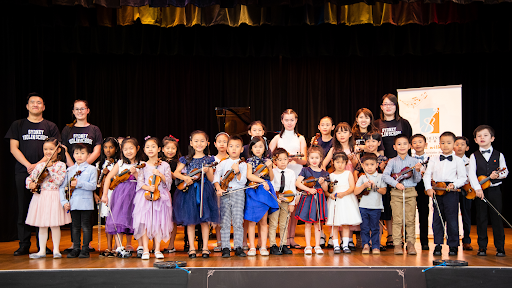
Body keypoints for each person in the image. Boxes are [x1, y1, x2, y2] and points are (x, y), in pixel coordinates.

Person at [5, 92, 61, 256]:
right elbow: (13, 148)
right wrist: (29, 165)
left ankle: (42, 245)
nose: (35, 105)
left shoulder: (50, 126)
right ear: (27, 106)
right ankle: (24, 244)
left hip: (46, 174)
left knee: (42, 209)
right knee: (23, 208)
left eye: (39, 103)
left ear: (43, 107)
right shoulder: (18, 124)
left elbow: (54, 150)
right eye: (32, 102)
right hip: (23, 172)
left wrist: (38, 166)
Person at [375, 94, 413, 248]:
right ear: (381, 107)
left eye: (391, 104)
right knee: (384, 203)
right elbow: (374, 143)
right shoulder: (376, 123)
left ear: (396, 106)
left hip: (401, 169)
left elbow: (408, 145)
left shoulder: (403, 123)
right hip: (382, 167)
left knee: (398, 204)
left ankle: (397, 236)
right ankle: (384, 236)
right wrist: (381, 163)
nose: (388, 107)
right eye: (385, 104)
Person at [174, 130, 219, 259]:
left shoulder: (210, 159)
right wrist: (186, 178)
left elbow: (211, 179)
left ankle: (205, 247)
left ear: (207, 143)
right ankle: (192, 248)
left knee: (205, 221)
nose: (199, 143)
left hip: (205, 191)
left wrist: (208, 170)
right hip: (189, 192)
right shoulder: (186, 159)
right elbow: (176, 172)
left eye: (202, 141)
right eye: (196, 141)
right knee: (191, 221)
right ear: (191, 143)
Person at [25, 138, 70, 259]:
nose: (48, 152)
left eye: (51, 149)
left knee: (55, 225)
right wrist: (30, 184)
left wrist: (50, 168)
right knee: (42, 225)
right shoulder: (39, 165)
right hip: (41, 196)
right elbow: (30, 178)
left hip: (54, 195)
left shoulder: (61, 165)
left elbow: (59, 181)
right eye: (45, 149)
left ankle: (56, 250)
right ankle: (42, 251)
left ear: (58, 150)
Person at [424, 132, 467, 256]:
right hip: (437, 189)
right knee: (437, 218)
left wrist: (454, 184)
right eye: (442, 143)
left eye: (448, 143)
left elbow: (463, 178)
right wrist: (429, 189)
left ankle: (453, 245)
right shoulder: (433, 159)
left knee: (452, 219)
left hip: (451, 191)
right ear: (439, 144)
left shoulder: (458, 161)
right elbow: (427, 175)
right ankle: (437, 244)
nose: (445, 145)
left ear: (454, 144)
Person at [269, 109, 307, 250]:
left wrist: (294, 158)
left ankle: (290, 238)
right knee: (282, 211)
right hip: (280, 176)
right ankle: (280, 241)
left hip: (295, 175)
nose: (289, 122)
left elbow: (305, 161)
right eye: (286, 120)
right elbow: (269, 156)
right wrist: (279, 162)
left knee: (293, 208)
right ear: (282, 121)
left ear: (296, 121)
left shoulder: (301, 138)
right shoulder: (278, 138)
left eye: (292, 120)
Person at [468, 125, 508, 257]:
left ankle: (500, 248)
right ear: (475, 140)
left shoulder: (499, 154)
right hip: (480, 192)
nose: (482, 138)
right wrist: (477, 189)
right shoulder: (474, 156)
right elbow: (472, 175)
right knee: (481, 219)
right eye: (479, 136)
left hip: (495, 190)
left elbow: (505, 171)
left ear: (492, 138)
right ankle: (482, 247)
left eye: (485, 135)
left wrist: (499, 175)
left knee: (497, 218)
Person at [101, 137, 143, 257]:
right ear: (121, 150)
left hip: (136, 194)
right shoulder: (120, 163)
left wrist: (135, 173)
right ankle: (119, 247)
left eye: (131, 148)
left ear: (137, 148)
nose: (128, 151)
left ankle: (140, 246)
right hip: (120, 195)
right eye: (125, 149)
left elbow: (142, 180)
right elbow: (109, 178)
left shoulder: (140, 164)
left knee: (137, 219)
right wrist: (104, 195)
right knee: (119, 219)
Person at [133, 137, 173, 260]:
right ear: (144, 150)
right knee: (145, 223)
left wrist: (160, 175)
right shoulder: (142, 165)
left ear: (159, 149)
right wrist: (148, 188)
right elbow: (139, 183)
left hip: (160, 196)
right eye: (148, 147)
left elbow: (169, 183)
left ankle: (157, 249)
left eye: (153, 146)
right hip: (145, 196)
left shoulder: (165, 165)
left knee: (158, 223)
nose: (150, 149)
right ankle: (145, 249)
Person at [382, 135, 422, 255]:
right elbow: (385, 176)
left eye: (405, 144)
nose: (402, 146)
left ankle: (410, 243)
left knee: (410, 219)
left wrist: (418, 171)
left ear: (409, 146)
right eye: (399, 144)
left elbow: (416, 180)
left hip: (410, 192)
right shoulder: (392, 161)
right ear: (394, 147)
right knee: (397, 220)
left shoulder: (414, 162)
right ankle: (397, 244)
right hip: (396, 193)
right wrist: (395, 184)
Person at [60, 143, 98, 258]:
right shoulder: (69, 170)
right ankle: (76, 248)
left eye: (82, 153)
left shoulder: (92, 169)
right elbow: (62, 187)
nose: (79, 156)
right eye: (76, 153)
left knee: (86, 226)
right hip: (73, 203)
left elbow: (93, 186)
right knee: (75, 226)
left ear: (88, 155)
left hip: (86, 203)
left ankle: (85, 249)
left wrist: (79, 184)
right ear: (73, 155)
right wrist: (64, 202)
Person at [214, 135, 248, 258]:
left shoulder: (243, 164)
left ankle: (238, 247)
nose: (234, 149)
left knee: (238, 221)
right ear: (227, 149)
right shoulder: (223, 163)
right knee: (225, 222)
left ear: (242, 149)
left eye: (237, 146)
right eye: (231, 146)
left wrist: (237, 171)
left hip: (238, 193)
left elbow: (242, 181)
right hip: (225, 193)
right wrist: (218, 188)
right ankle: (226, 247)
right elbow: (216, 179)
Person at [245, 136, 279, 256]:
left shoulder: (267, 161)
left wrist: (270, 167)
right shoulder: (249, 161)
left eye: (260, 146)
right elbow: (249, 175)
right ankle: (252, 247)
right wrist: (262, 181)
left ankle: (263, 247)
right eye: (255, 147)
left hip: (264, 191)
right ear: (251, 148)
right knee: (252, 221)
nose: (258, 149)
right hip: (254, 191)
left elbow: (271, 177)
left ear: (265, 148)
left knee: (264, 221)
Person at [295, 146, 329, 255]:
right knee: (308, 224)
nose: (314, 160)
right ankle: (308, 246)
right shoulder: (305, 170)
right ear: (308, 159)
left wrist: (323, 182)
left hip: (319, 199)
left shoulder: (324, 173)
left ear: (321, 159)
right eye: (312, 158)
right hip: (308, 199)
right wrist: (309, 189)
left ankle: (317, 245)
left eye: (317, 158)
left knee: (318, 224)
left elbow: (326, 189)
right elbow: (298, 183)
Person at [325, 152, 361, 254]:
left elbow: (352, 187)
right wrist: (330, 194)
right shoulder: (330, 175)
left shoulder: (348, 173)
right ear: (333, 162)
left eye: (342, 162)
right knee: (335, 224)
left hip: (346, 200)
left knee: (345, 224)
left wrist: (344, 193)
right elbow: (327, 190)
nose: (340, 164)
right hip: (335, 201)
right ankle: (336, 245)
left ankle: (345, 245)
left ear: (346, 163)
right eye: (337, 162)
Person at [354, 154, 387, 255]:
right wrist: (364, 185)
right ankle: (366, 245)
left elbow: (384, 191)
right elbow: (355, 192)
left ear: (377, 165)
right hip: (363, 206)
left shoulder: (380, 177)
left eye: (372, 164)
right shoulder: (362, 178)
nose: (369, 167)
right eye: (367, 165)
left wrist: (375, 187)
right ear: (363, 166)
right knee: (364, 227)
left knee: (375, 228)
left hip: (376, 207)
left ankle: (376, 246)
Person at [269, 148, 296, 255]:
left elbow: (292, 188)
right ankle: (272, 245)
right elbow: (271, 186)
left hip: (286, 200)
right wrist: (276, 198)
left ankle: (283, 244)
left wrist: (292, 203)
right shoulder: (273, 172)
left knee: (284, 223)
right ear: (275, 161)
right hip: (275, 200)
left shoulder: (291, 173)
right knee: (273, 223)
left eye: (285, 159)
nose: (283, 162)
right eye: (280, 159)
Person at [97, 137, 121, 257]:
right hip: (104, 193)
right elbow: (98, 181)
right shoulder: (100, 163)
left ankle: (117, 247)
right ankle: (109, 247)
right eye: (105, 147)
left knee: (115, 219)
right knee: (107, 220)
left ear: (116, 149)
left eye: (111, 147)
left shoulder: (119, 162)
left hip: (115, 192)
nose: (108, 150)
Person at [61, 99, 102, 167]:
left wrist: (83, 167)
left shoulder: (95, 129)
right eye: (77, 109)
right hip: (71, 168)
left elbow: (97, 152)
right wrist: (73, 168)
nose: (79, 111)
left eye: (82, 109)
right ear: (73, 112)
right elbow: (64, 151)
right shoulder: (67, 129)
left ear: (87, 110)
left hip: (89, 169)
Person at [161, 135, 182, 254]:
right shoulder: (159, 161)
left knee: (172, 218)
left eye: (173, 148)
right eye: (167, 148)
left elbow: (178, 177)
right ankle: (157, 244)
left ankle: (171, 244)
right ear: (162, 149)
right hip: (161, 191)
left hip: (174, 191)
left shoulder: (178, 162)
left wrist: (170, 173)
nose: (170, 151)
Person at [411, 134, 430, 251]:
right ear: (411, 145)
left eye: (420, 142)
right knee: (410, 215)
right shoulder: (408, 159)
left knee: (424, 214)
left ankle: (424, 242)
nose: (417, 144)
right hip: (412, 186)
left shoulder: (431, 159)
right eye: (414, 142)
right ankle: (409, 241)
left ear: (426, 144)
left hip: (424, 187)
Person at [454, 136, 473, 251]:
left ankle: (467, 241)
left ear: (467, 148)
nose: (459, 147)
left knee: (466, 215)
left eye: (462, 144)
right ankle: (454, 241)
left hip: (466, 190)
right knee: (452, 216)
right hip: (453, 190)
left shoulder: (471, 162)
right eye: (457, 144)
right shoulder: (449, 160)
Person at [213, 132, 229, 251]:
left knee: (228, 217)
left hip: (229, 189)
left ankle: (227, 242)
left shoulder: (232, 159)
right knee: (218, 215)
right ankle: (219, 242)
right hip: (217, 190)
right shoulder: (212, 159)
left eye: (225, 141)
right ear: (215, 144)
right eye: (219, 142)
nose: (222, 144)